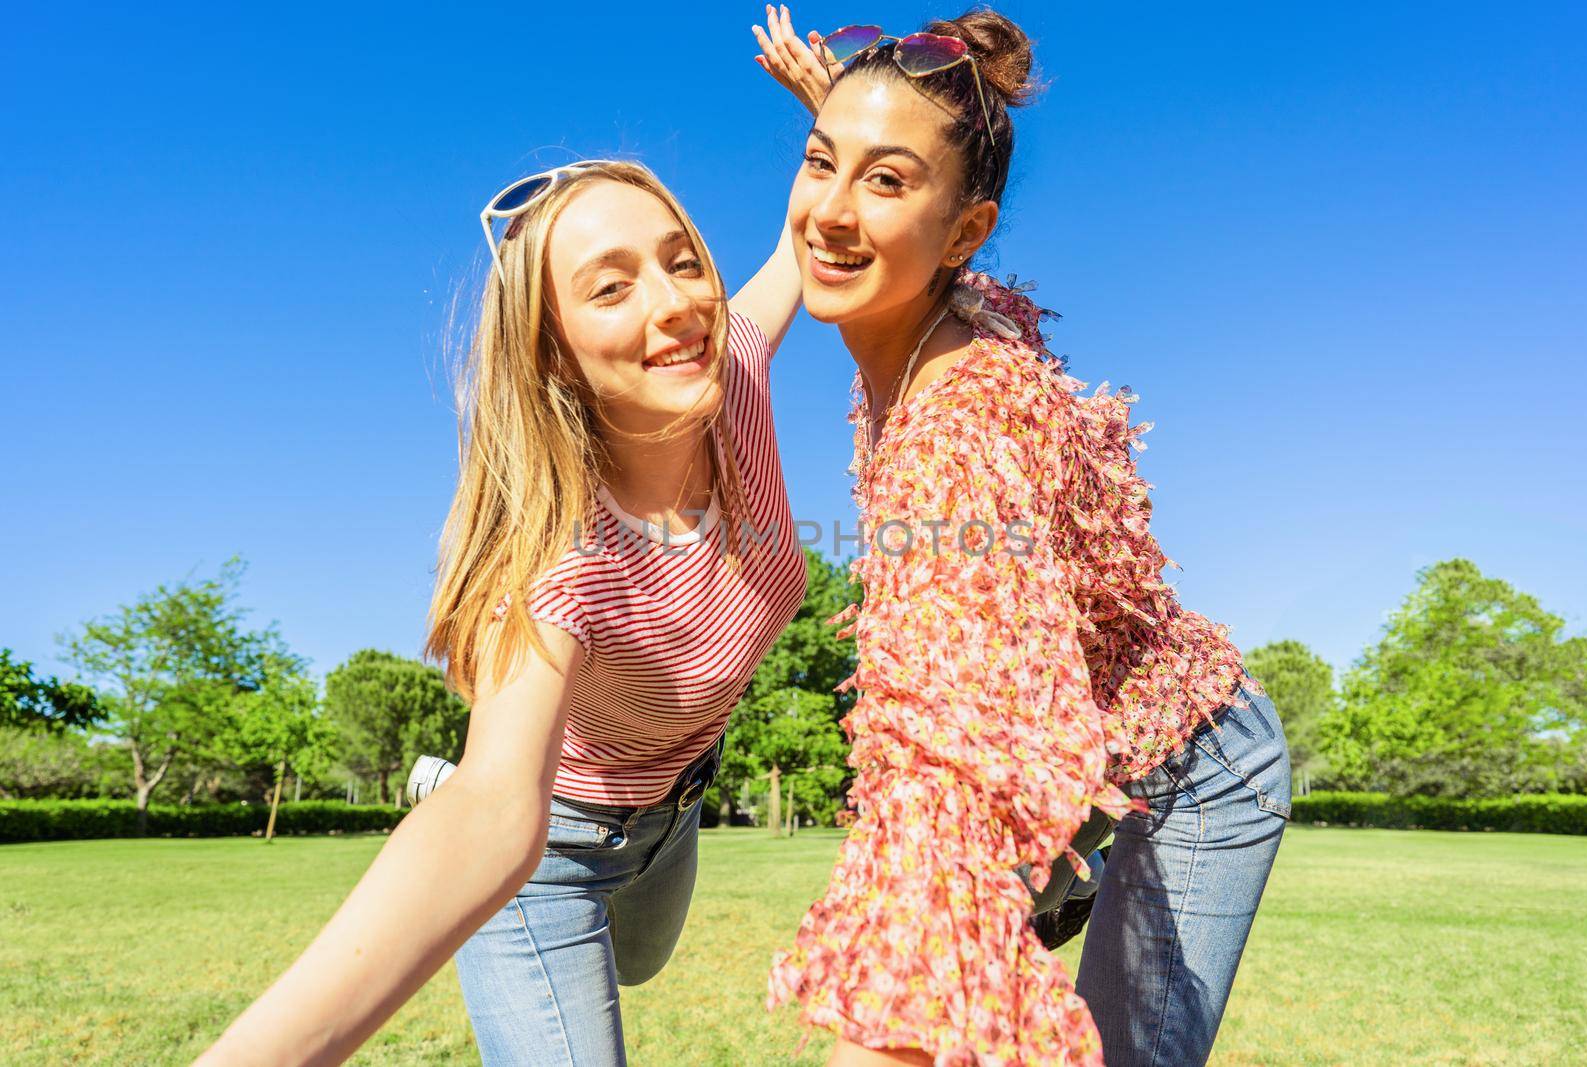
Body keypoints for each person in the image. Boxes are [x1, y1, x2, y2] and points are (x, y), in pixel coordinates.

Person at [751, 7, 1292, 1065]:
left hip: (1194, 764)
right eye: (821, 163)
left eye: (888, 181)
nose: (828, 212)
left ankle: (1061, 868)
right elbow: (883, 211)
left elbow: (959, 758)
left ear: (966, 232)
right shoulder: (948, 311)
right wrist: (864, 131)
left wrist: (899, 1019)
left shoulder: (959, 442)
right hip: (1090, 745)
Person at [195, 159, 807, 1066]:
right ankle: (464, 765)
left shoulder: (734, 372)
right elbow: (495, 812)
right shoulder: (556, 562)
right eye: (611, 286)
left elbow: (815, 233)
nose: (677, 301)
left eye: (683, 262)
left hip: (675, 803)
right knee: (500, 802)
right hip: (552, 846)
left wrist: (830, 122)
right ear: (553, 349)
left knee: (641, 961)